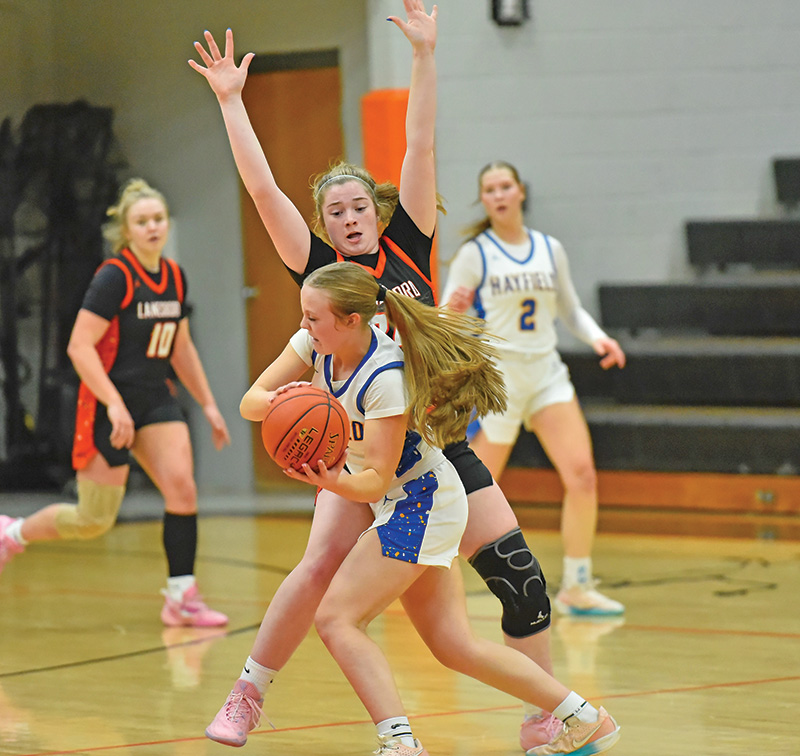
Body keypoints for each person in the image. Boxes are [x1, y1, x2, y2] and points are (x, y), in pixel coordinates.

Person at [191, 2, 563, 749]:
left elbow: (420, 144)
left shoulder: (408, 246)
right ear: (324, 225)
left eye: (359, 205)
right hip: (360, 452)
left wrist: (424, 55)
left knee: (521, 577)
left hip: (436, 451)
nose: (351, 217)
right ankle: (248, 695)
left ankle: (546, 718)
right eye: (336, 211)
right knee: (317, 568)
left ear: (376, 208)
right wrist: (233, 101)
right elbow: (263, 192)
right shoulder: (320, 272)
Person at [239, 262, 621, 756]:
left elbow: (375, 480)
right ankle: (585, 717)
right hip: (408, 501)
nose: (303, 324)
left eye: (312, 317)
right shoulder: (316, 345)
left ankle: (400, 743)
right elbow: (251, 403)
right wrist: (285, 398)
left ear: (351, 320)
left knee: (336, 619)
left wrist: (331, 480)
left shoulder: (384, 376)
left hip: (421, 502)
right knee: (453, 645)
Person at [0, 178, 231, 627]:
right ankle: (13, 532)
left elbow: (180, 347)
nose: (152, 227)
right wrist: (114, 404)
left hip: (155, 400)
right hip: (108, 402)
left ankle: (181, 597)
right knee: (93, 519)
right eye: (142, 221)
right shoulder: (115, 277)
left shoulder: (174, 277)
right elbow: (79, 346)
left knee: (182, 488)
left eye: (158, 219)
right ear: (126, 231)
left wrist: (207, 403)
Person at [441, 161, 627, 617]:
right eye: (489, 189)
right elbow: (443, 322)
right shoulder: (475, 254)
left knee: (582, 475)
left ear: (520, 191)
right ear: (483, 200)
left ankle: (577, 585)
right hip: (499, 380)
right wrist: (454, 310)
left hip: (546, 374)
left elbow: (570, 308)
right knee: (470, 492)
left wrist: (599, 338)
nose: (499, 195)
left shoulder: (549, 248)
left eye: (505, 186)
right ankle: (434, 583)